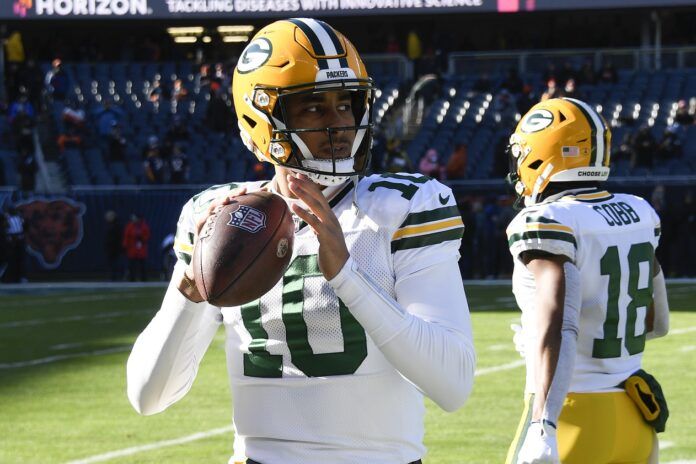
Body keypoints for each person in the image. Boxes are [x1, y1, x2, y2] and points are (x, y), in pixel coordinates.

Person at [127, 18, 476, 464]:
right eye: (313, 108)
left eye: (346, 105)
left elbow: (452, 383)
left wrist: (347, 276)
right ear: (262, 120)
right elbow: (147, 396)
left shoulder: (403, 205)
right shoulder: (219, 217)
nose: (340, 124)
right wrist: (190, 291)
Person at [504, 98, 670, 464]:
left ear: (542, 154)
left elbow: (560, 325)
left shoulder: (547, 220)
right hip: (635, 417)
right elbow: (657, 323)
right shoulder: (638, 211)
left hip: (573, 418)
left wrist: (542, 425)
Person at [122, 213, 150, 281]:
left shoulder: (144, 226)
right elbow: (126, 237)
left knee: (142, 265)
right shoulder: (130, 226)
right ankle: (132, 278)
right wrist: (125, 246)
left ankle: (143, 279)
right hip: (132, 249)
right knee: (132, 265)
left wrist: (142, 238)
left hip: (141, 250)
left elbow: (147, 235)